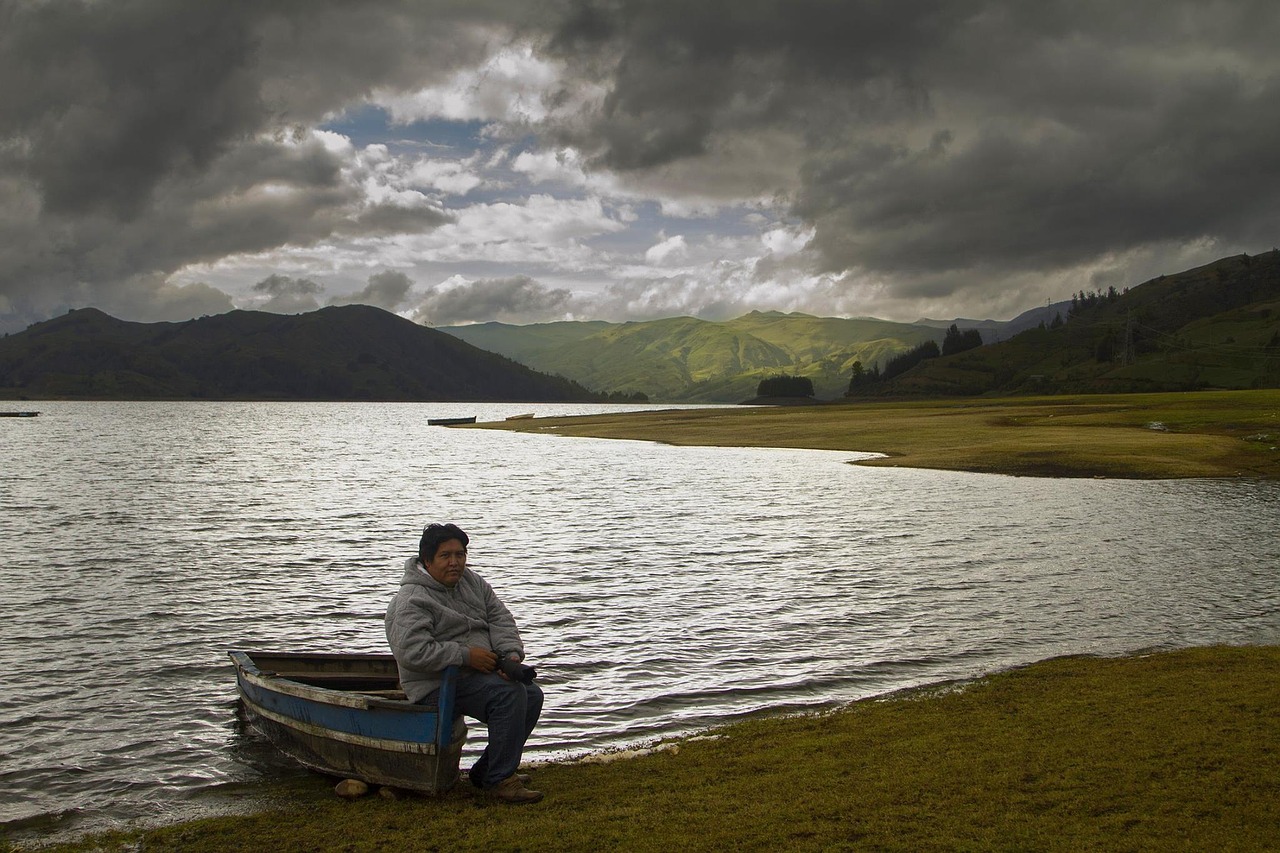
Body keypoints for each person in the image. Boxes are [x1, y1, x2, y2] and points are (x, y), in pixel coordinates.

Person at [385, 522, 545, 804]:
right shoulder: (411, 599)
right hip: (434, 684)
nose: (455, 562)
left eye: (460, 554)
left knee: (531, 694)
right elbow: (412, 651)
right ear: (427, 560)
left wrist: (509, 655)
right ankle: (500, 780)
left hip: (477, 673)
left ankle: (488, 772)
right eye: (446, 556)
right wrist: (466, 655)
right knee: (509, 695)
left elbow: (499, 618)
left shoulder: (472, 582)